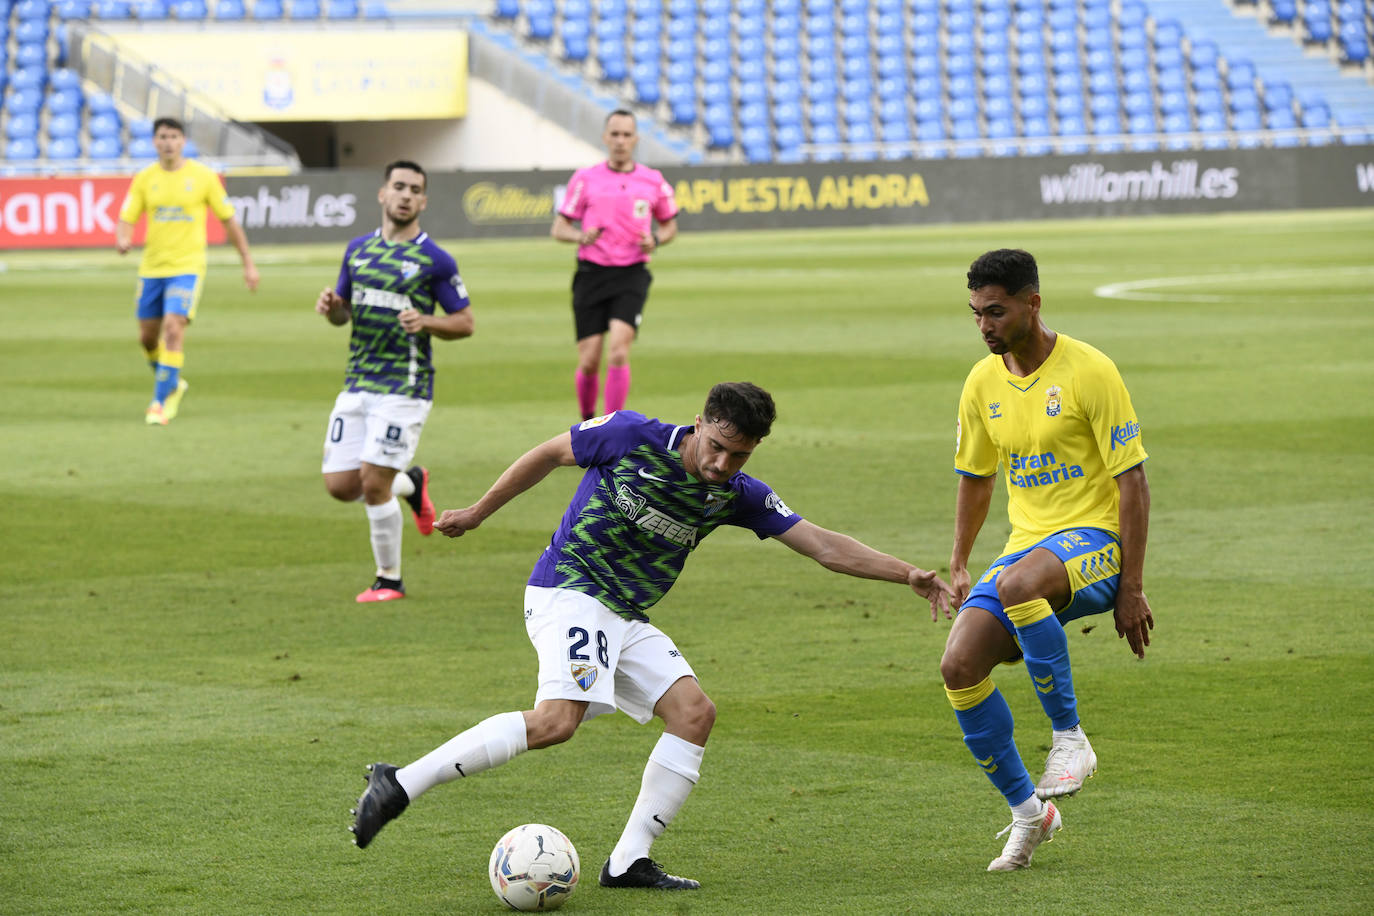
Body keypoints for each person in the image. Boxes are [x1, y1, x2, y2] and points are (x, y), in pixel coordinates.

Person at [349, 382, 955, 891]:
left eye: (737, 456)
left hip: (625, 615)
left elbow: (822, 545)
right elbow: (550, 453)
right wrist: (479, 511)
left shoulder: (736, 495)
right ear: (699, 425)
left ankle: (627, 861)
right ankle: (399, 784)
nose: (721, 464)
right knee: (558, 721)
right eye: (716, 447)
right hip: (570, 588)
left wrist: (907, 574)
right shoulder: (630, 434)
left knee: (694, 713)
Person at [940, 249, 1153, 872]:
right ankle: (1030, 813)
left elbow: (1133, 482)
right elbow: (975, 478)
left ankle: (1070, 737)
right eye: (976, 312)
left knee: (1020, 581)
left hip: (1097, 545)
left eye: (996, 311)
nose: (984, 324)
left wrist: (1131, 587)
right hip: (1025, 554)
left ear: (1033, 303)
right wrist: (958, 561)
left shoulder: (1090, 370)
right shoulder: (982, 382)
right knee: (959, 665)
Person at [316, 160, 475, 603]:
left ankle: (389, 579)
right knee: (341, 486)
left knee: (371, 484)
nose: (406, 195)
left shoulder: (435, 259)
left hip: (405, 388)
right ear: (383, 194)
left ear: (423, 201)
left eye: (415, 189)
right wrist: (332, 307)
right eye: (399, 186)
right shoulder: (357, 250)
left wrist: (426, 321)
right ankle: (413, 483)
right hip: (357, 383)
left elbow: (465, 322)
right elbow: (343, 313)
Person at [116, 117, 259, 426]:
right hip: (152, 268)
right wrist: (123, 238)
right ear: (154, 142)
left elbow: (229, 221)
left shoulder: (204, 177)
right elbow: (127, 215)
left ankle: (159, 402)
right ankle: (173, 383)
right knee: (147, 338)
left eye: (174, 136)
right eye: (162, 136)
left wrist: (247, 262)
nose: (168, 142)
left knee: (173, 327)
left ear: (183, 141)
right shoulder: (144, 178)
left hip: (187, 267)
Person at [551, 109, 679, 422]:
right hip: (592, 274)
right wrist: (582, 236)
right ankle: (586, 421)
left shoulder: (653, 181)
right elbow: (559, 228)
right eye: (615, 134)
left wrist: (656, 240)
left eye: (626, 135)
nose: (620, 141)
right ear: (605, 138)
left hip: (632, 274)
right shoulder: (585, 178)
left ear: (635, 139)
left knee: (619, 351)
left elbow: (670, 225)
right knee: (590, 361)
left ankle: (610, 428)